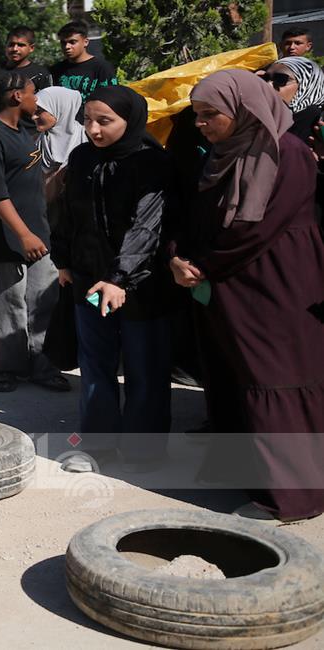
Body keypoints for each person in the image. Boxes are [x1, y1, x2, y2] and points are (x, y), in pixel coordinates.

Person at [171, 70, 324, 522]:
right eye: (197, 114)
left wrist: (202, 266)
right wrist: (177, 256)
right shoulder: (221, 153)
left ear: (243, 109)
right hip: (228, 283)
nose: (201, 123)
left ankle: (295, 497)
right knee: (235, 376)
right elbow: (196, 214)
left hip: (277, 282)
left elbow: (258, 228)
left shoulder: (288, 152)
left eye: (209, 114)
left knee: (275, 377)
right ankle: (251, 477)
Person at [54, 85, 176, 473]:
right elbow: (68, 213)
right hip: (91, 282)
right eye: (88, 120)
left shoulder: (151, 162)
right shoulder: (82, 158)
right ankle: (95, 448)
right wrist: (64, 260)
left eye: (104, 122)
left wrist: (120, 278)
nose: (93, 130)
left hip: (141, 286)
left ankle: (144, 453)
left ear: (131, 120)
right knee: (96, 364)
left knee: (145, 367)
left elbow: (147, 226)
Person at [0, 72, 68, 393]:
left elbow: (30, 179)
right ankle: (5, 370)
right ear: (16, 97)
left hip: (38, 231)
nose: (36, 99)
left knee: (44, 300)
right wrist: (22, 235)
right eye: (32, 93)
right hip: (3, 237)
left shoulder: (25, 130)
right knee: (8, 305)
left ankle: (42, 365)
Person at [264, 56, 324, 217]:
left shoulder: (315, 121)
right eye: (265, 78)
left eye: (280, 79)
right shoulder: (270, 123)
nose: (269, 86)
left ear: (307, 83)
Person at [33, 86, 86, 220]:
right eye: (34, 111)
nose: (33, 117)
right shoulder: (34, 142)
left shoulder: (86, 141)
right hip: (42, 218)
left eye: (40, 111)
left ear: (60, 108)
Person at [50, 21, 118, 100]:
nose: (67, 47)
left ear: (85, 42)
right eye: (63, 43)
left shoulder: (102, 68)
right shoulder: (56, 70)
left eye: (72, 42)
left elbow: (112, 98)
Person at [0, 27, 53, 93]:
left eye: (20, 45)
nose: (15, 49)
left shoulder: (40, 74)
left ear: (31, 48)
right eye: (11, 44)